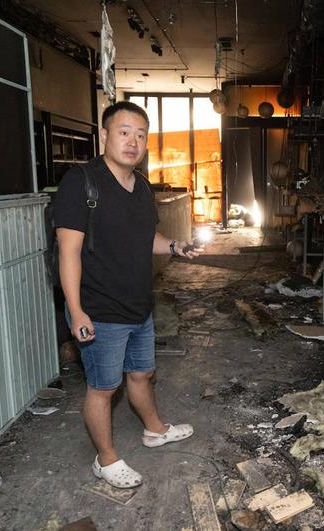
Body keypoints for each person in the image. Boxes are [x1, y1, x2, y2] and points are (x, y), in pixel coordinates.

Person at [54, 101, 201, 489]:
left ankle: (154, 429)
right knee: (103, 388)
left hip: (138, 305)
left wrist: (173, 247)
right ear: (103, 135)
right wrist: (76, 311)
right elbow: (67, 252)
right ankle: (106, 459)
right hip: (99, 309)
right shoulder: (80, 182)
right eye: (123, 132)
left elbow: (145, 237)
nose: (132, 141)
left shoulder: (142, 187)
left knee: (142, 373)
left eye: (140, 134)